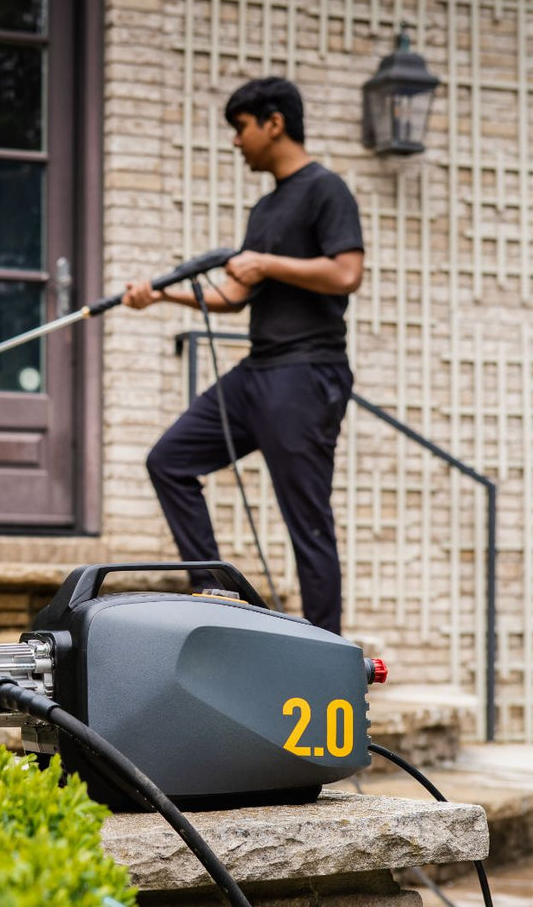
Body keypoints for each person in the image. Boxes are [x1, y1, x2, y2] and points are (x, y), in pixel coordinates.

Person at [122, 77, 364, 634]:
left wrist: (267, 265)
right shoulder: (265, 209)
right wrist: (161, 294)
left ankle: (326, 653)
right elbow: (234, 296)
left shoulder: (327, 190)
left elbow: (347, 273)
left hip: (306, 374)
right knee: (169, 461)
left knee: (307, 520)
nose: (236, 142)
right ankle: (218, 595)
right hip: (259, 370)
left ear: (273, 123)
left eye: (241, 128)